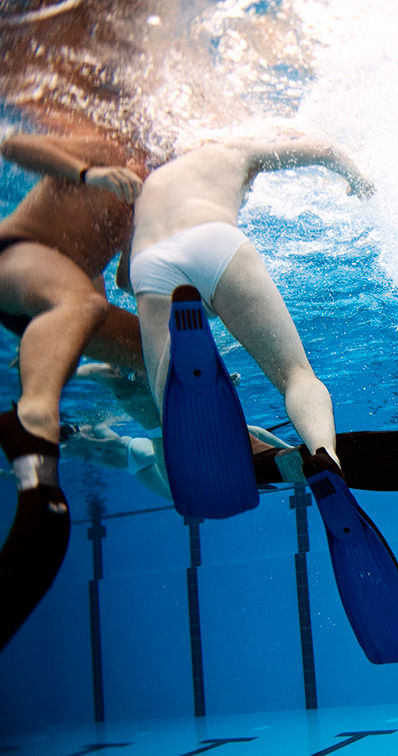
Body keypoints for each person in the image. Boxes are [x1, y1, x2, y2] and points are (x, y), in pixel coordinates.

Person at [128, 137, 373, 472]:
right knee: (295, 375)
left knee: (167, 402)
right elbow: (325, 150)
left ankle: (183, 349)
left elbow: (121, 282)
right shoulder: (231, 148)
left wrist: (195, 294)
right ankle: (324, 455)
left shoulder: (149, 185)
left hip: (149, 262)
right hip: (212, 237)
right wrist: (356, 176)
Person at [0, 128, 147, 650]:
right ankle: (31, 418)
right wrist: (89, 173)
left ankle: (210, 447)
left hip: (70, 293)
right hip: (17, 255)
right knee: (80, 304)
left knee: (163, 355)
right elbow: (10, 144)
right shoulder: (104, 136)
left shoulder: (146, 189)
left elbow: (130, 278)